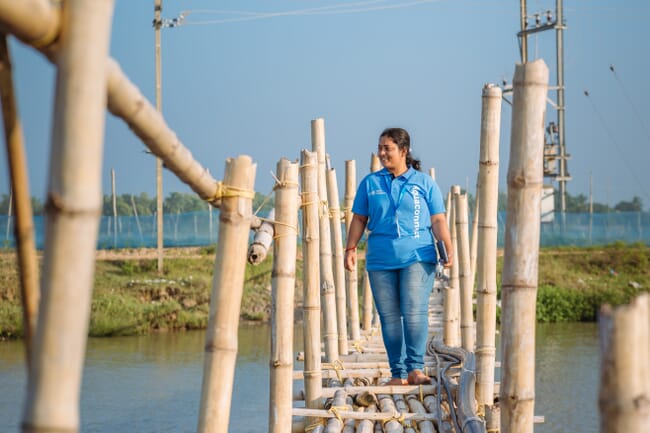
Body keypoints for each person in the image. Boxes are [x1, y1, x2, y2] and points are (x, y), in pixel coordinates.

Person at [344, 127, 453, 386]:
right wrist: (350, 249)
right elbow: (359, 218)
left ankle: (415, 369)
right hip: (380, 260)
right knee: (389, 317)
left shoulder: (424, 183)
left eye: (387, 149)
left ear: (403, 151)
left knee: (414, 312)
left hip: (418, 256)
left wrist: (447, 249)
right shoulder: (370, 183)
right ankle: (398, 373)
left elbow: (438, 219)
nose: (382, 153)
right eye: (380, 148)